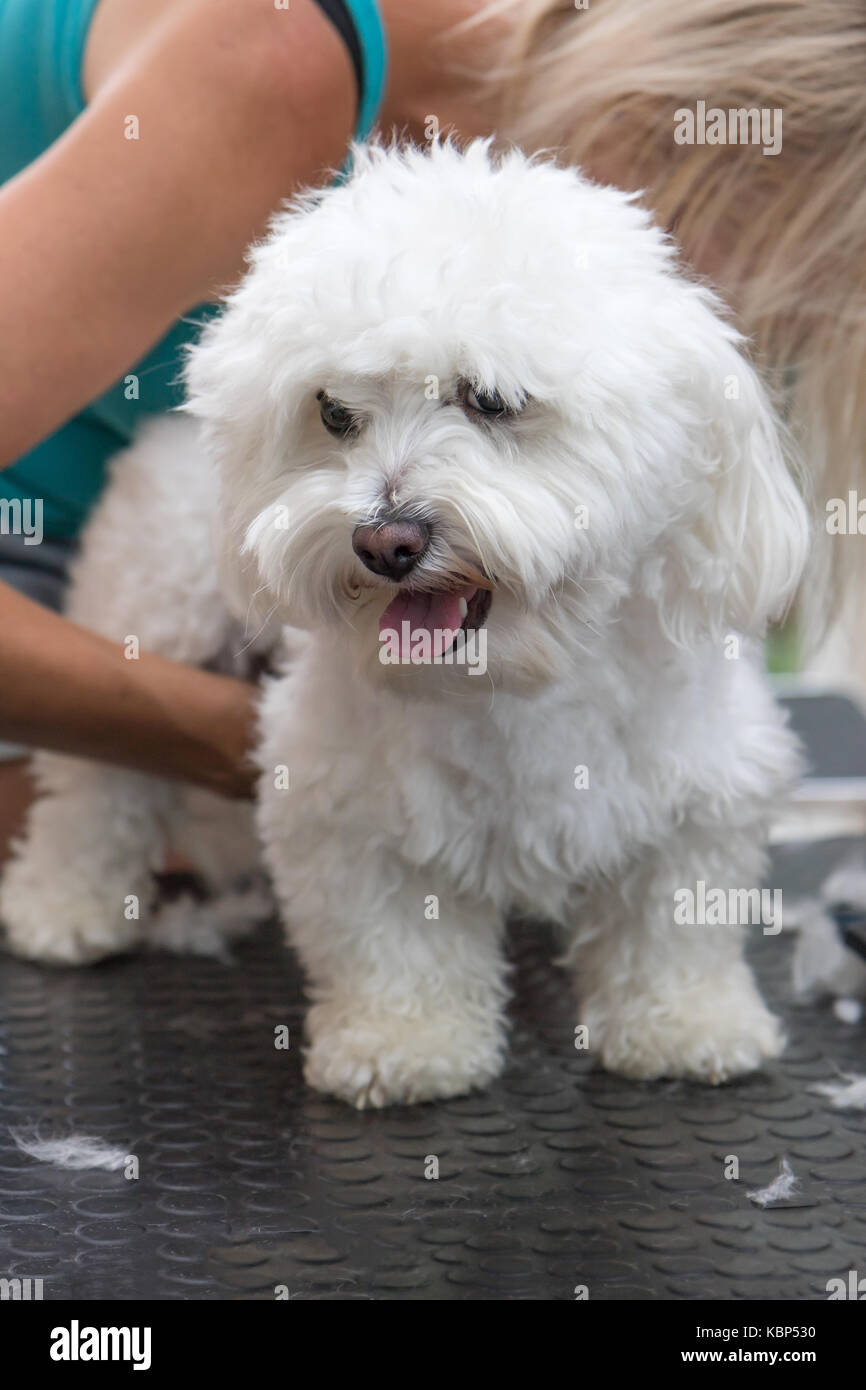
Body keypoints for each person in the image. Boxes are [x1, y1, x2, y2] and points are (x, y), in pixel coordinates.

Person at [1, 0, 862, 860]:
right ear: (698, 145)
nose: (716, 303)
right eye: (755, 273)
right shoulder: (270, 63)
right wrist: (267, 747)